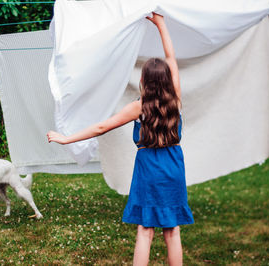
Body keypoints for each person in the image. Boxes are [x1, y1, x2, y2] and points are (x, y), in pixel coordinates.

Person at [47, 12, 194, 266]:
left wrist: (66, 138)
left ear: (144, 80)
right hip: (173, 168)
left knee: (145, 231)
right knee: (172, 231)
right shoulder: (176, 99)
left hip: (149, 169)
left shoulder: (139, 107)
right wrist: (161, 25)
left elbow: (101, 127)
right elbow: (171, 58)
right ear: (168, 80)